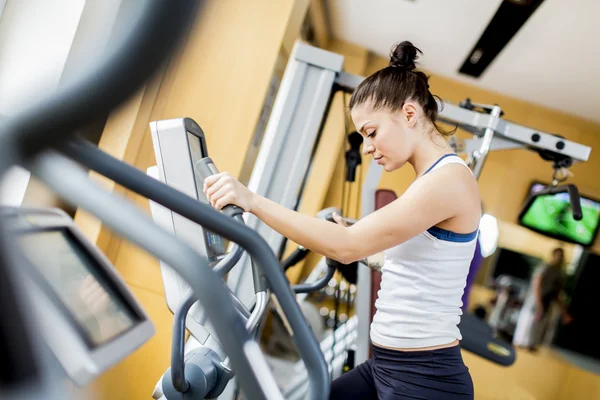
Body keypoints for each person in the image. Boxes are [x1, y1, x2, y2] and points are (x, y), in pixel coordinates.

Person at [204, 41, 479, 399]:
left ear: (409, 114)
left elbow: (346, 248)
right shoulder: (430, 181)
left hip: (425, 381)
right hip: (384, 366)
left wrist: (252, 201)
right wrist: (360, 245)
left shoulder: (449, 180)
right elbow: (411, 264)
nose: (366, 147)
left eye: (372, 132)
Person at [513, 248, 573, 351]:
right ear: (553, 255)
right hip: (534, 302)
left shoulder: (560, 274)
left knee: (538, 328)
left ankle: (531, 346)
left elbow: (557, 294)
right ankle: (520, 343)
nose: (559, 258)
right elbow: (536, 285)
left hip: (547, 303)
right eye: (557, 255)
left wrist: (564, 312)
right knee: (527, 325)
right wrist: (539, 304)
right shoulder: (544, 268)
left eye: (561, 256)